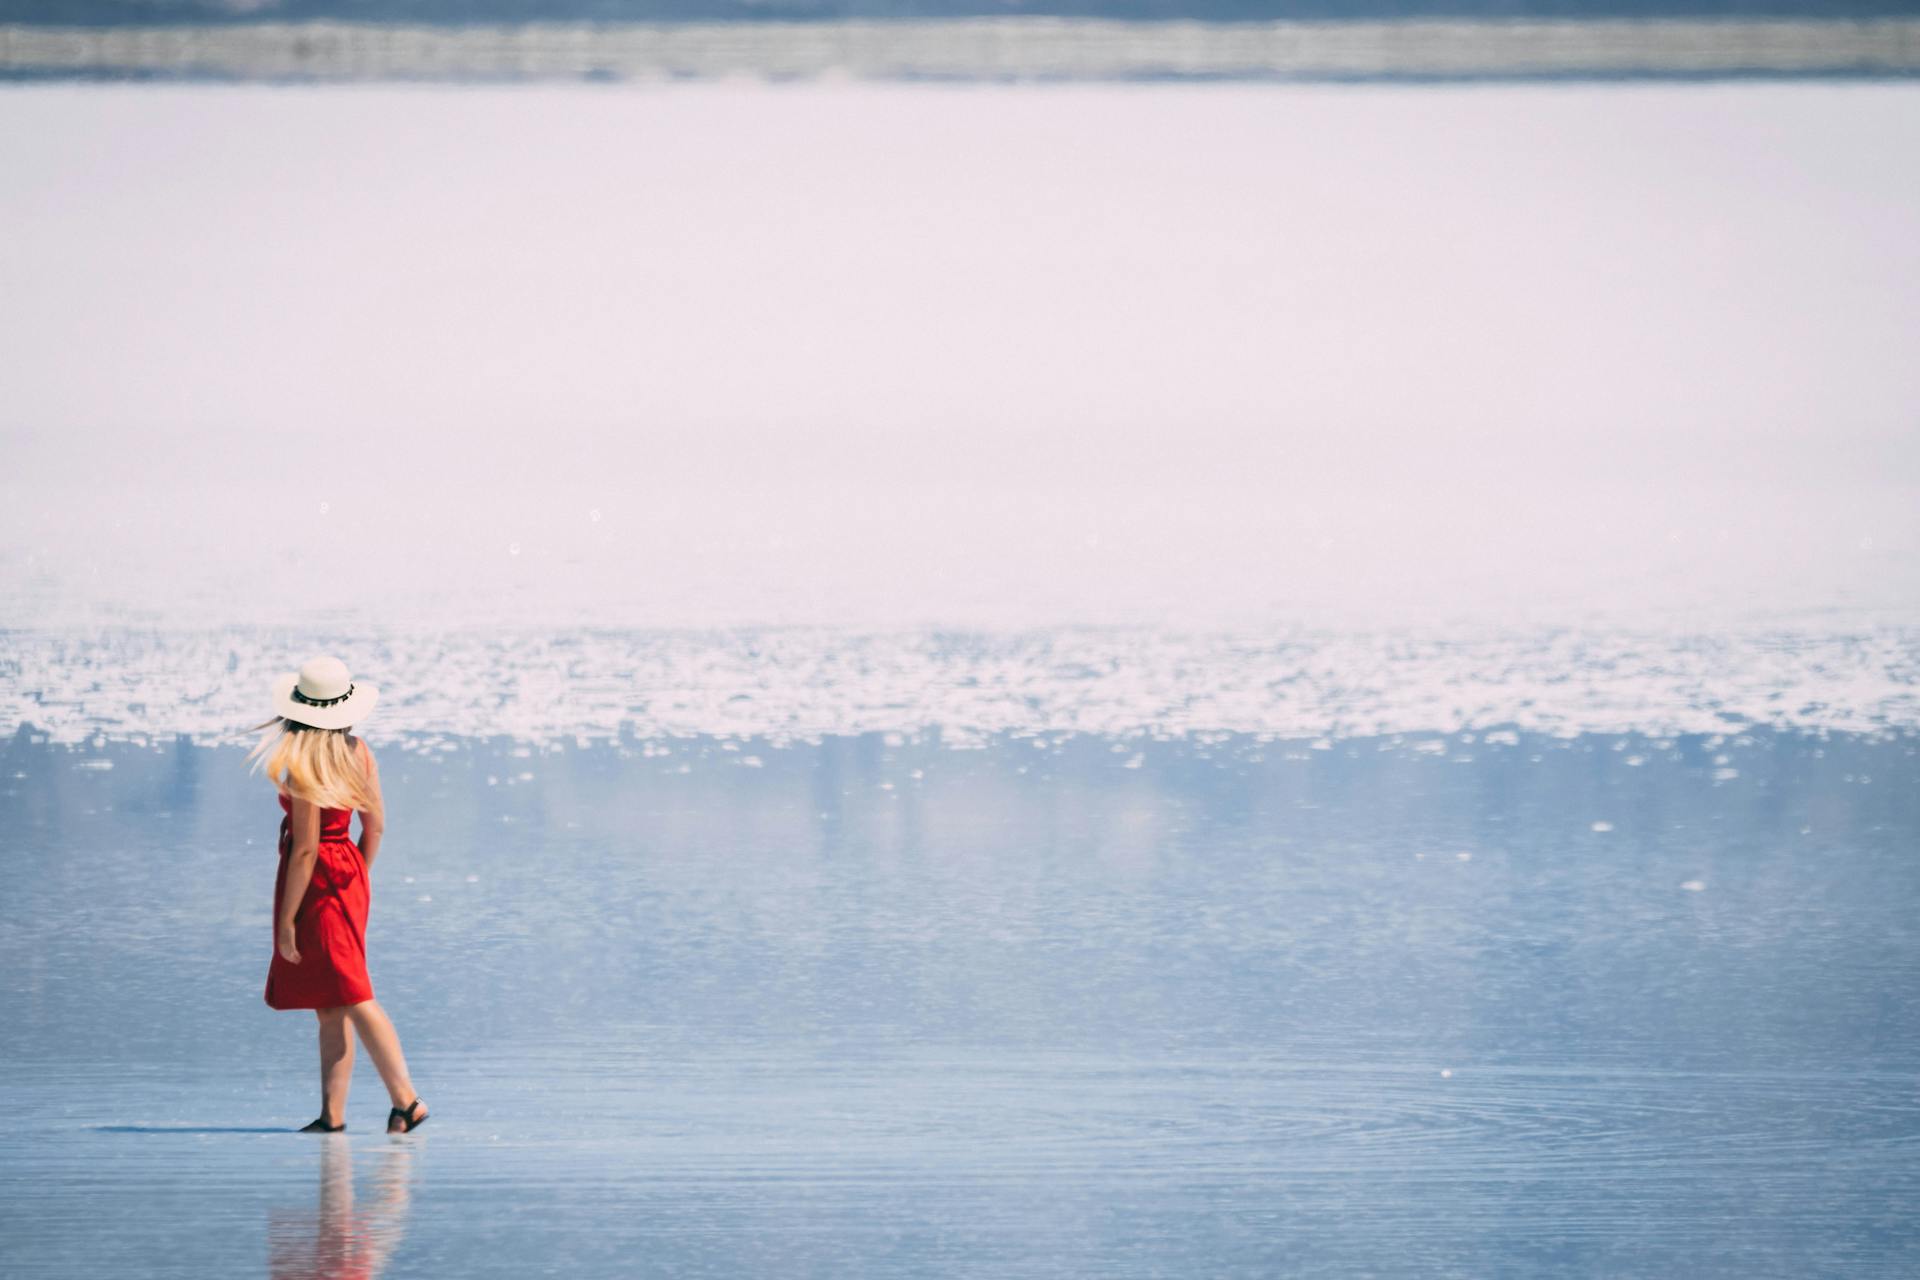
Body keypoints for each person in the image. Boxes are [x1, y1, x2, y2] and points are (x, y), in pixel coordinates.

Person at [246, 655, 429, 1135]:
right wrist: (356, 880)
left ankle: (407, 1101)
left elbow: (305, 850)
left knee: (352, 993)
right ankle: (333, 1116)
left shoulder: (306, 764)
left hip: (316, 877)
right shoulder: (360, 751)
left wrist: (287, 920)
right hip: (347, 869)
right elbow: (377, 827)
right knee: (330, 1003)